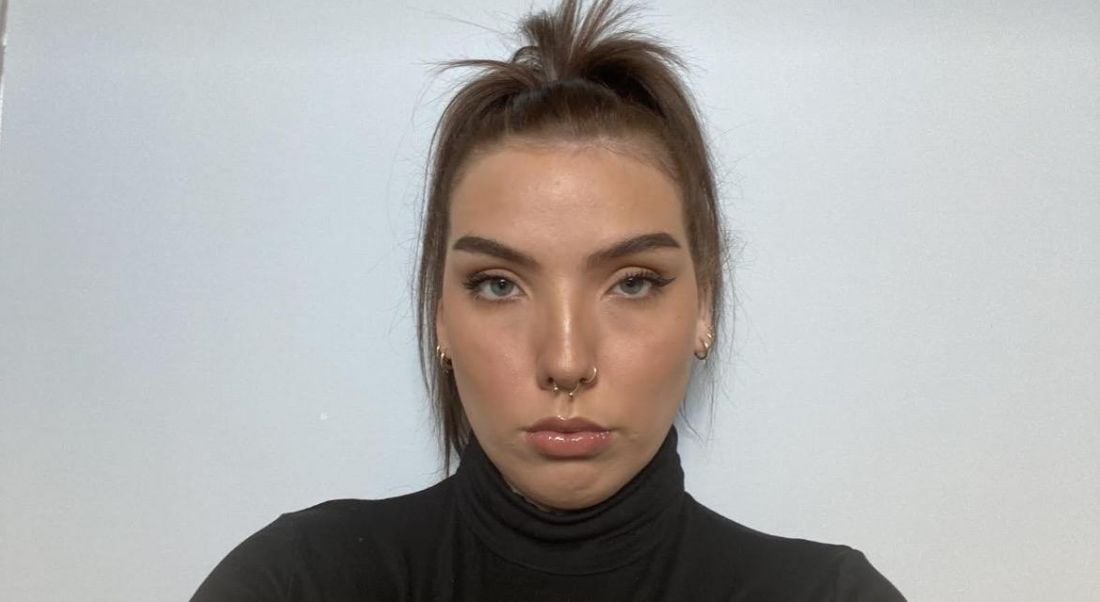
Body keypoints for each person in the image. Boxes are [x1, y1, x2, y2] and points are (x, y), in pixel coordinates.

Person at [192, 0, 906, 599]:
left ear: (704, 308)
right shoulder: (299, 585)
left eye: (633, 282)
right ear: (441, 315)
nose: (566, 361)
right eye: (498, 285)